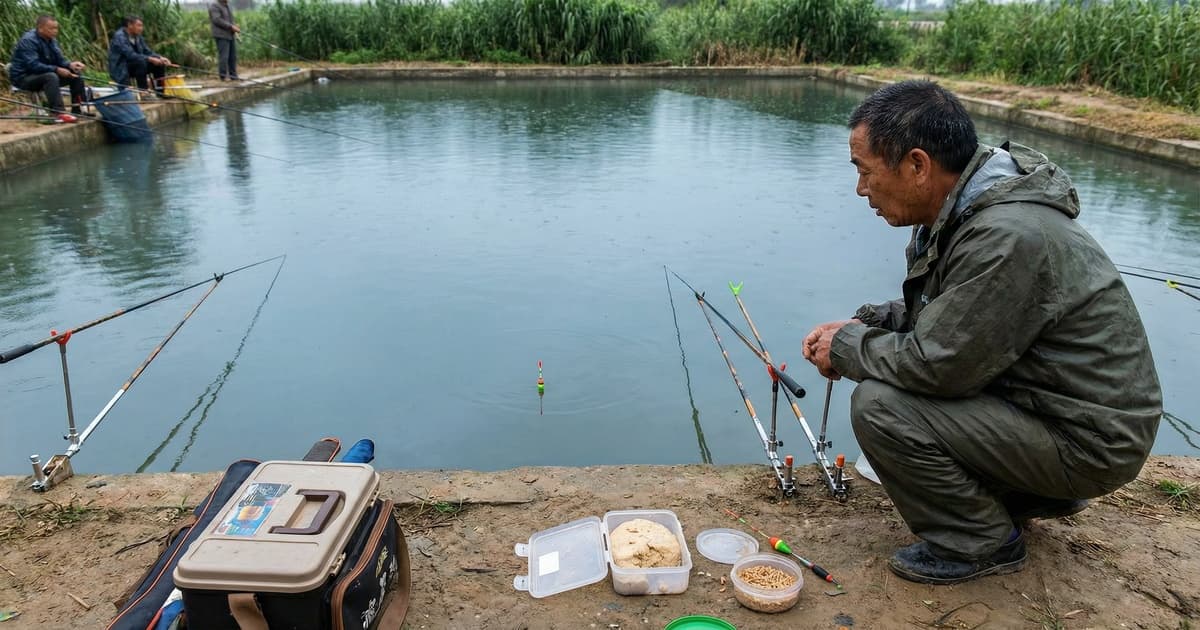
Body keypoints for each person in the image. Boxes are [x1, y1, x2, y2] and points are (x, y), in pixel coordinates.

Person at [802, 80, 1162, 585]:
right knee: (901, 384)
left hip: (1089, 441)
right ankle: (1026, 492)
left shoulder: (1006, 234)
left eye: (865, 171)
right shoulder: (966, 209)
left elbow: (938, 364)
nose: (862, 189)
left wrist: (846, 348)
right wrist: (873, 322)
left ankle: (981, 541)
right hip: (1056, 414)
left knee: (881, 406)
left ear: (917, 165)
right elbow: (963, 317)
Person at [8, 15, 86, 123]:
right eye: (52, 28)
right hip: (23, 77)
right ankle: (58, 112)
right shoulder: (28, 40)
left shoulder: (51, 40)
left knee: (76, 75)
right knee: (51, 76)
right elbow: (33, 65)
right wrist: (56, 69)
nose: (55, 31)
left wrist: (70, 65)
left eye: (56, 28)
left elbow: (59, 60)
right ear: (40, 28)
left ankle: (77, 109)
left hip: (42, 74)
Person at [108, 15, 171, 96]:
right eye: (139, 25)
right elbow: (131, 55)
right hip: (122, 68)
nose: (141, 28)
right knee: (141, 62)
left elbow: (147, 51)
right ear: (130, 25)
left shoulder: (137, 36)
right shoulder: (119, 37)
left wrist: (160, 58)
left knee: (159, 64)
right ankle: (143, 92)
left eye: (141, 26)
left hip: (136, 66)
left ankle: (160, 92)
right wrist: (150, 59)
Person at [208, 0, 240, 81]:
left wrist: (234, 26)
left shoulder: (227, 5)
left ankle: (233, 76)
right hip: (221, 35)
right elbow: (217, 20)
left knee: (233, 56)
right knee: (224, 57)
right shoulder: (215, 6)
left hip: (230, 34)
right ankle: (223, 76)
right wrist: (231, 27)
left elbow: (230, 20)